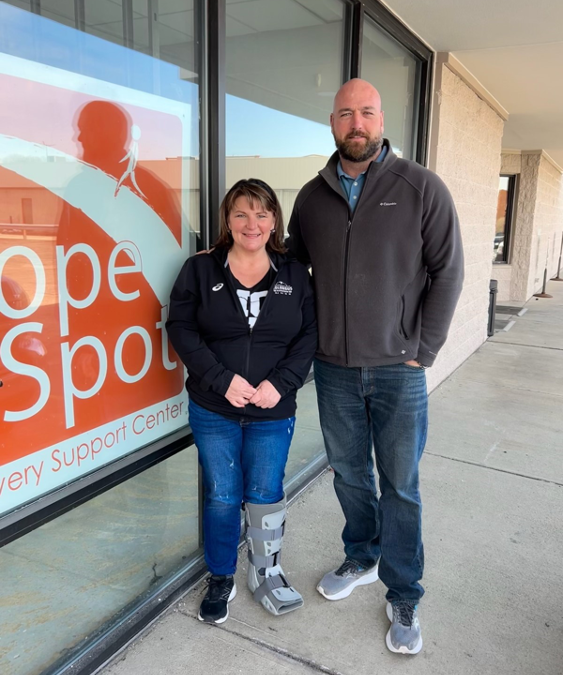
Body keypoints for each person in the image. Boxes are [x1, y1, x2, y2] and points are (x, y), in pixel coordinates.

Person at [287, 79, 464, 655]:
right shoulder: (312, 197)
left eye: (365, 112)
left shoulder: (421, 187)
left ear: (381, 119)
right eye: (345, 114)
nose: (355, 123)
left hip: (398, 370)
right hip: (334, 368)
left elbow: (449, 271)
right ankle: (361, 555)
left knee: (401, 486)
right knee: (349, 474)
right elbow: (290, 268)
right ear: (333, 123)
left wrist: (425, 350)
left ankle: (404, 590)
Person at [167, 179, 317, 625]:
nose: (252, 224)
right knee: (223, 495)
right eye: (241, 214)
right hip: (215, 409)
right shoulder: (200, 269)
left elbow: (310, 335)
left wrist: (282, 383)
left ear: (275, 221)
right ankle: (221, 576)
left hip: (273, 410)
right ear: (227, 220)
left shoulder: (294, 274)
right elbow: (181, 328)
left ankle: (266, 572)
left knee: (265, 494)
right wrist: (220, 379)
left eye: (263, 214)